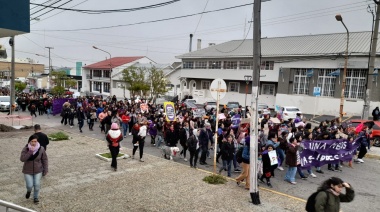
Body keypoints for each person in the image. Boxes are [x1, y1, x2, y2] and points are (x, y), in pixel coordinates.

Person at [20, 135, 48, 204]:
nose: (33, 143)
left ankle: (35, 197)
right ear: (29, 141)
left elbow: (44, 159)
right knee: (29, 185)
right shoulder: (25, 149)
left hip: (38, 170)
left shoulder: (41, 149)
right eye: (32, 141)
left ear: (37, 141)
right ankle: (29, 191)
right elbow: (22, 159)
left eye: (35, 141)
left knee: (37, 184)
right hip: (27, 171)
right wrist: (30, 152)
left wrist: (46, 169)